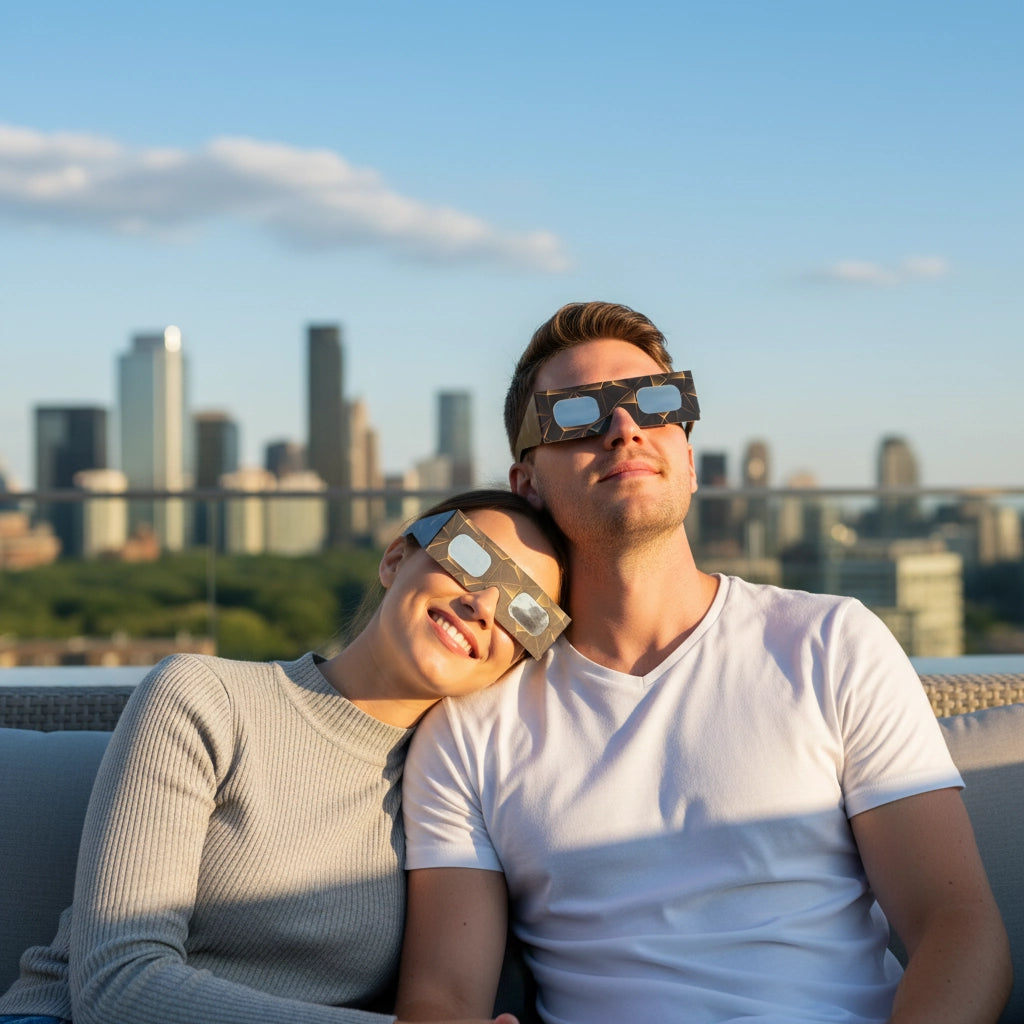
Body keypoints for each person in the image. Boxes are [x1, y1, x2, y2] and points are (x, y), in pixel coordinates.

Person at [396, 303, 1012, 1024]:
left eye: (656, 404)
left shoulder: (831, 643)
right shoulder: (469, 727)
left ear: (687, 456)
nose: (623, 428)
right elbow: (443, 996)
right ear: (527, 481)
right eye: (576, 415)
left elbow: (958, 928)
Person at [0, 488, 565, 1024]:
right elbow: (115, 989)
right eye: (470, 557)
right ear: (395, 559)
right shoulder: (204, 697)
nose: (484, 603)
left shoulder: (454, 793)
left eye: (527, 612)